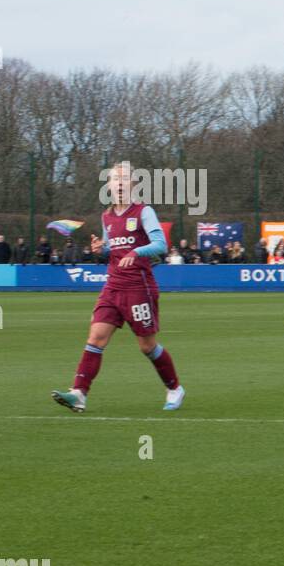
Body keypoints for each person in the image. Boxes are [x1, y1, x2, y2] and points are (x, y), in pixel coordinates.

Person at [51, 161, 184, 413]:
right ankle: (79, 393)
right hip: (113, 286)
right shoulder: (106, 216)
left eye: (124, 179)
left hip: (138, 287)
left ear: (133, 184)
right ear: (109, 185)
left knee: (147, 346)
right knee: (95, 338)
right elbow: (113, 249)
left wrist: (136, 251)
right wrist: (102, 249)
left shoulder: (144, 212)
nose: (120, 183)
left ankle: (175, 388)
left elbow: (160, 245)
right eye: (115, 179)